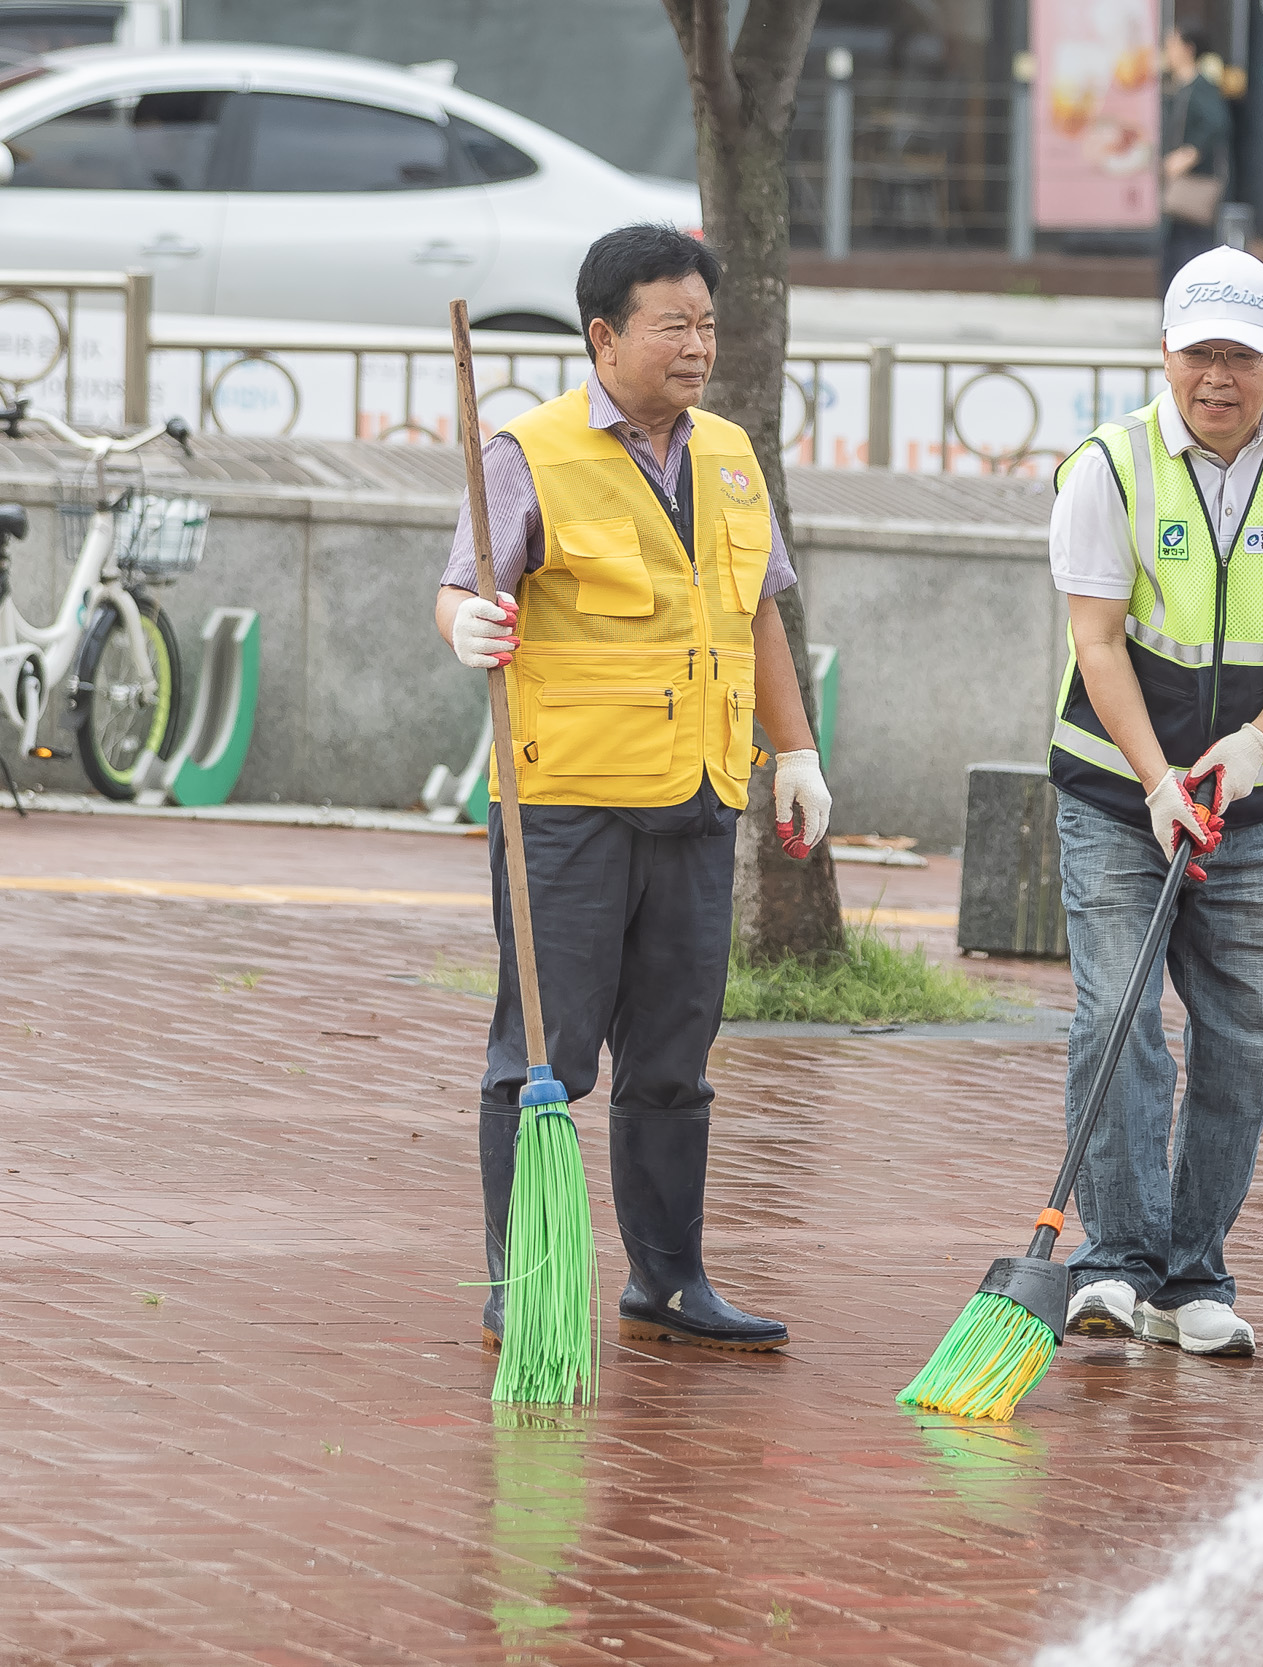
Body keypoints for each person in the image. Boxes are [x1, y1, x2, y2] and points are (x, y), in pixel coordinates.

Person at [433, 225, 830, 1353]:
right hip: (565, 807)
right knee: (544, 1056)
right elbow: (461, 586)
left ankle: (668, 1276)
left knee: (673, 1056)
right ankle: (528, 1276)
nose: (698, 344)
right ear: (604, 336)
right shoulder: (529, 453)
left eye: (708, 322)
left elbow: (757, 615)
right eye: (674, 324)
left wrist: (793, 754)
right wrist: (469, 623)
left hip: (699, 798)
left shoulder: (732, 458)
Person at [1048, 246, 1263, 1354]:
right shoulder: (1110, 464)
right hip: (1112, 786)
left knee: (1243, 1035)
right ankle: (1113, 1261)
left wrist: (1249, 742)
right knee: (1117, 1018)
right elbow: (1095, 638)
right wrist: (1153, 781)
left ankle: (1194, 1272)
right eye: (1197, 353)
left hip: (1253, 793)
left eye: (1239, 353)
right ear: (1166, 354)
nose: (1215, 376)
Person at [1159, 28, 1231, 288]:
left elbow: (1217, 123)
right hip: (1179, 189)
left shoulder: (1200, 88)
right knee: (1174, 250)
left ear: (1188, 48)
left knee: (1190, 252)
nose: (1167, 50)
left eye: (1172, 44)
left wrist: (1189, 153)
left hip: (1194, 187)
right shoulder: (1177, 87)